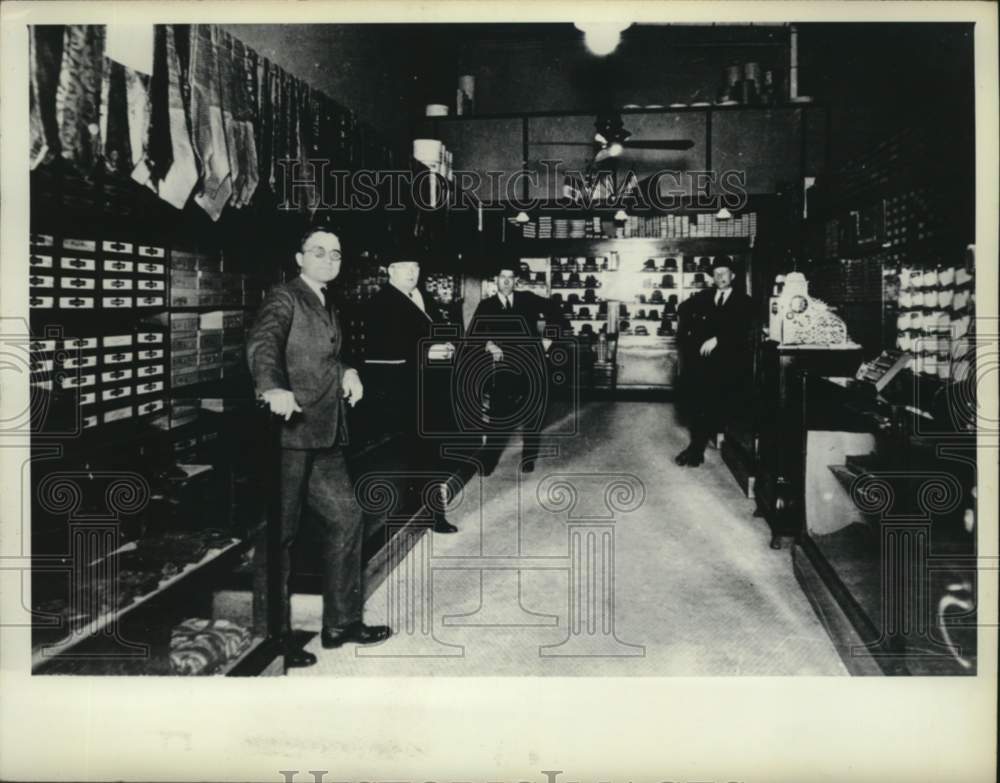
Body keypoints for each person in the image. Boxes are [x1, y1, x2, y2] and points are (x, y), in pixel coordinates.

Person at [246, 225, 392, 668]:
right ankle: (272, 637)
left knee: (348, 516)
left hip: (325, 431)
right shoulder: (284, 297)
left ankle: (340, 624)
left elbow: (323, 354)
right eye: (319, 252)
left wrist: (348, 370)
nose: (329, 259)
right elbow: (263, 344)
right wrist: (271, 387)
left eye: (336, 253)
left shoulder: (328, 300)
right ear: (299, 257)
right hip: (290, 435)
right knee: (280, 537)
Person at [363, 256, 458, 534]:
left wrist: (448, 344)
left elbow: (435, 328)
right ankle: (432, 513)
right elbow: (382, 349)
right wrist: (427, 351)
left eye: (416, 267)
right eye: (404, 267)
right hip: (405, 391)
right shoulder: (381, 303)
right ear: (390, 271)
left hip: (431, 386)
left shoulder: (421, 296)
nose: (411, 273)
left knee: (429, 450)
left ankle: (422, 506)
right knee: (422, 451)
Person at [467, 264, 563, 474]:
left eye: (511, 278)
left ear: (516, 281)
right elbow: (473, 334)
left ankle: (528, 458)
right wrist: (488, 344)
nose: (507, 281)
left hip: (531, 363)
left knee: (532, 413)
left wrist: (549, 338)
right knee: (498, 414)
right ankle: (489, 461)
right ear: (496, 280)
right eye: (503, 277)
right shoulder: (486, 305)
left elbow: (555, 309)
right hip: (503, 367)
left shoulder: (527, 299)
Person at [674, 255, 753, 467]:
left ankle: (698, 448)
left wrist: (719, 338)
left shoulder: (744, 301)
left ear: (733, 275)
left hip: (730, 363)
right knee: (699, 403)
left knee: (716, 405)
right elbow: (682, 308)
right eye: (716, 274)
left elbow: (743, 328)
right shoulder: (704, 296)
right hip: (704, 363)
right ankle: (696, 448)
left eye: (724, 273)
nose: (720, 277)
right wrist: (693, 335)